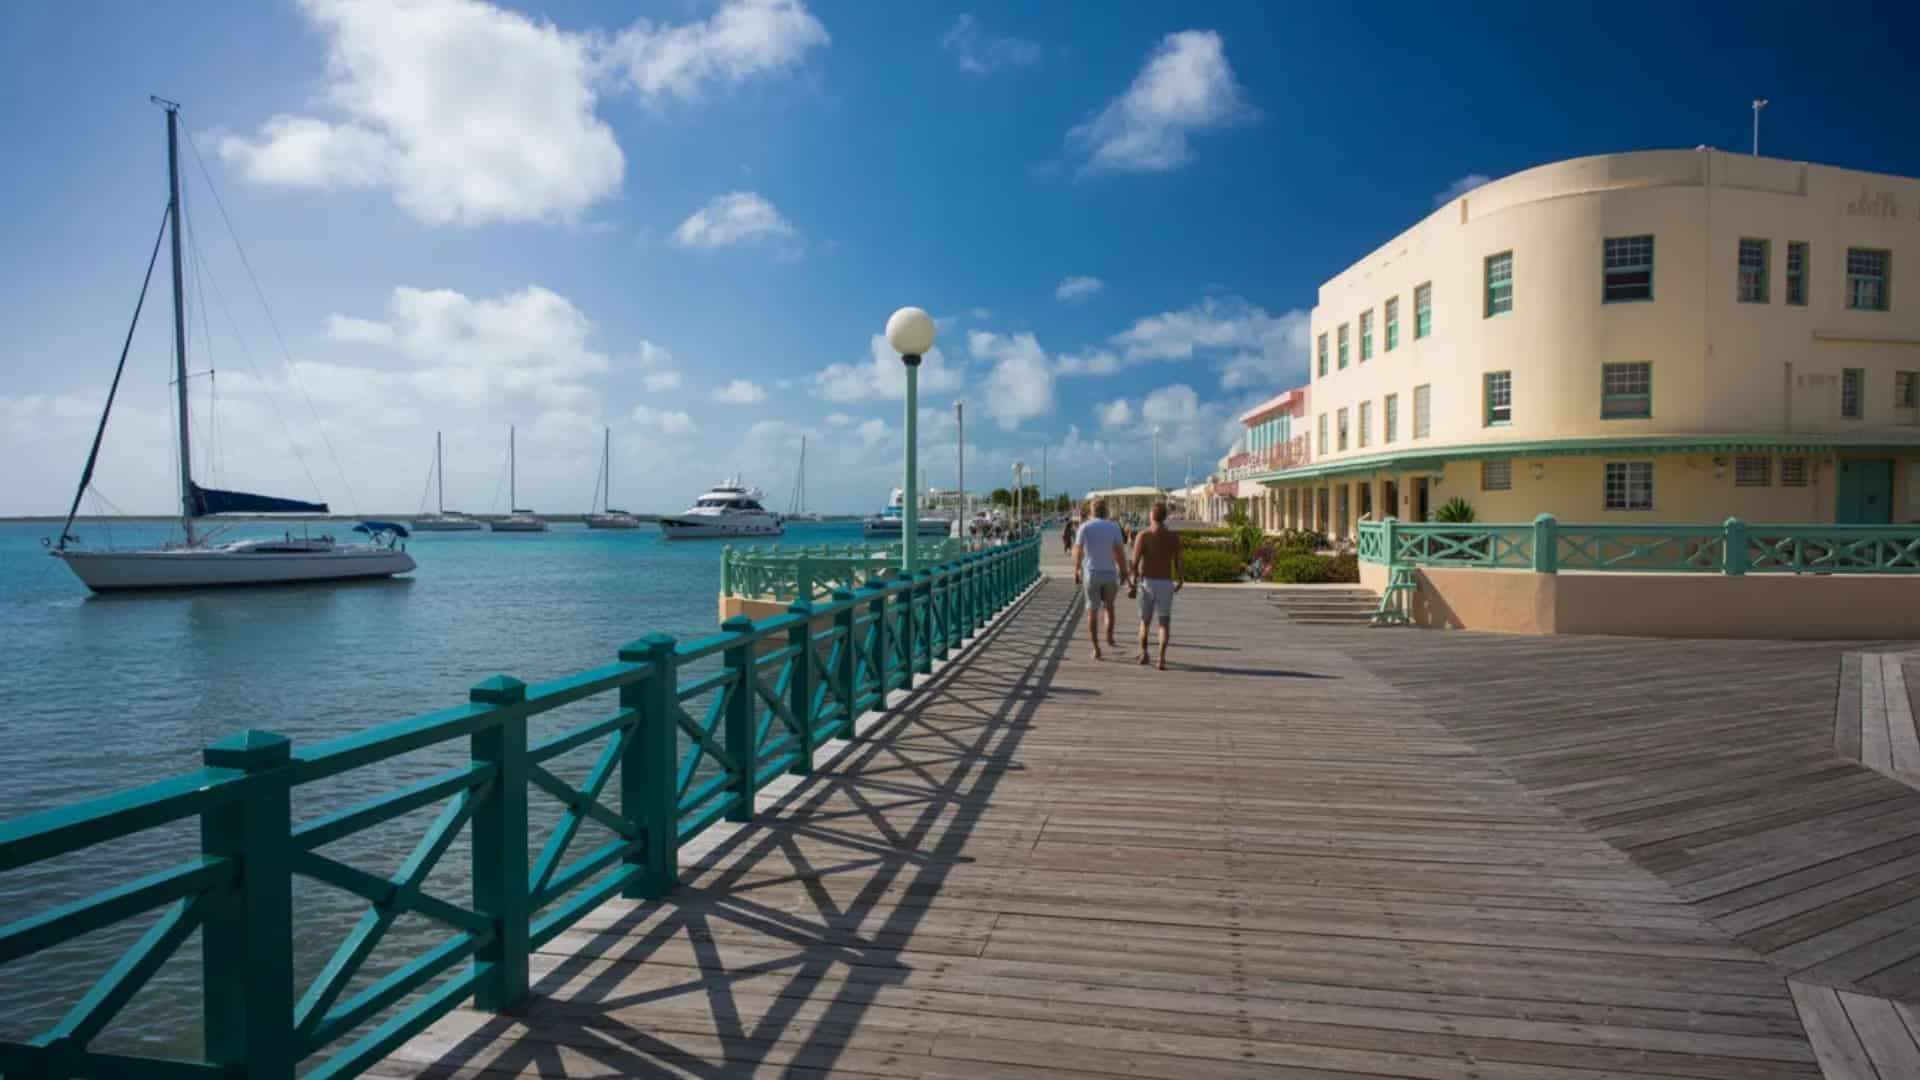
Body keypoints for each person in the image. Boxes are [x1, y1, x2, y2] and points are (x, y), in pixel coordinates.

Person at [1129, 502, 1184, 670]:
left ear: (1151, 516)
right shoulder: (1174, 537)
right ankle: (1161, 659)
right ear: (1165, 516)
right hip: (1166, 582)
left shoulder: (1143, 536)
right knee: (1163, 623)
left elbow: (1134, 562)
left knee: (1144, 622)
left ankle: (1144, 654)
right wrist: (1180, 579)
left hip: (1147, 582)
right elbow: (1178, 561)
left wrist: (1132, 581)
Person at [1072, 499, 1128, 661]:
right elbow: (1119, 552)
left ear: (1092, 511)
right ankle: (1109, 637)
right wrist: (1123, 571)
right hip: (1110, 573)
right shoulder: (1113, 527)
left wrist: (1076, 570)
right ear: (1106, 511)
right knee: (1109, 607)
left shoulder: (1085, 527)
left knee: (1092, 611)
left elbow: (1078, 550)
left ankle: (1096, 649)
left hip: (1091, 574)